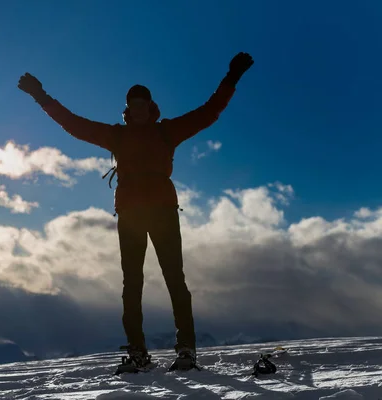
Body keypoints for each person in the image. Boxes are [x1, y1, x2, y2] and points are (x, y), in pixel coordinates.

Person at [18, 52, 254, 370]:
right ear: (129, 108)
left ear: (150, 107)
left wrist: (231, 78)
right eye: (134, 104)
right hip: (130, 215)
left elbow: (209, 112)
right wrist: (40, 96)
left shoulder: (166, 132)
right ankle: (138, 352)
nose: (139, 108)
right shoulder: (117, 135)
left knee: (175, 280)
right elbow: (73, 124)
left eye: (143, 103)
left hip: (162, 212)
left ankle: (186, 349)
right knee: (132, 283)